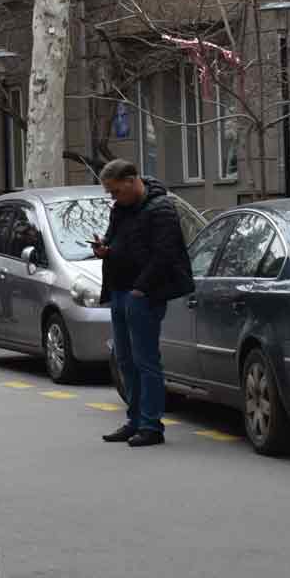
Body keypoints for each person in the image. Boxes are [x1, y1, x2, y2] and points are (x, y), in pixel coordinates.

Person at [90, 159, 194, 448]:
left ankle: (151, 425)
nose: (113, 197)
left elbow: (165, 256)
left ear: (131, 181)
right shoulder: (120, 209)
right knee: (124, 358)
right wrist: (104, 249)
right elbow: (115, 242)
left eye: (115, 191)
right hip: (120, 289)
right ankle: (134, 420)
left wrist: (141, 289)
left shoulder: (161, 209)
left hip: (145, 293)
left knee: (145, 359)